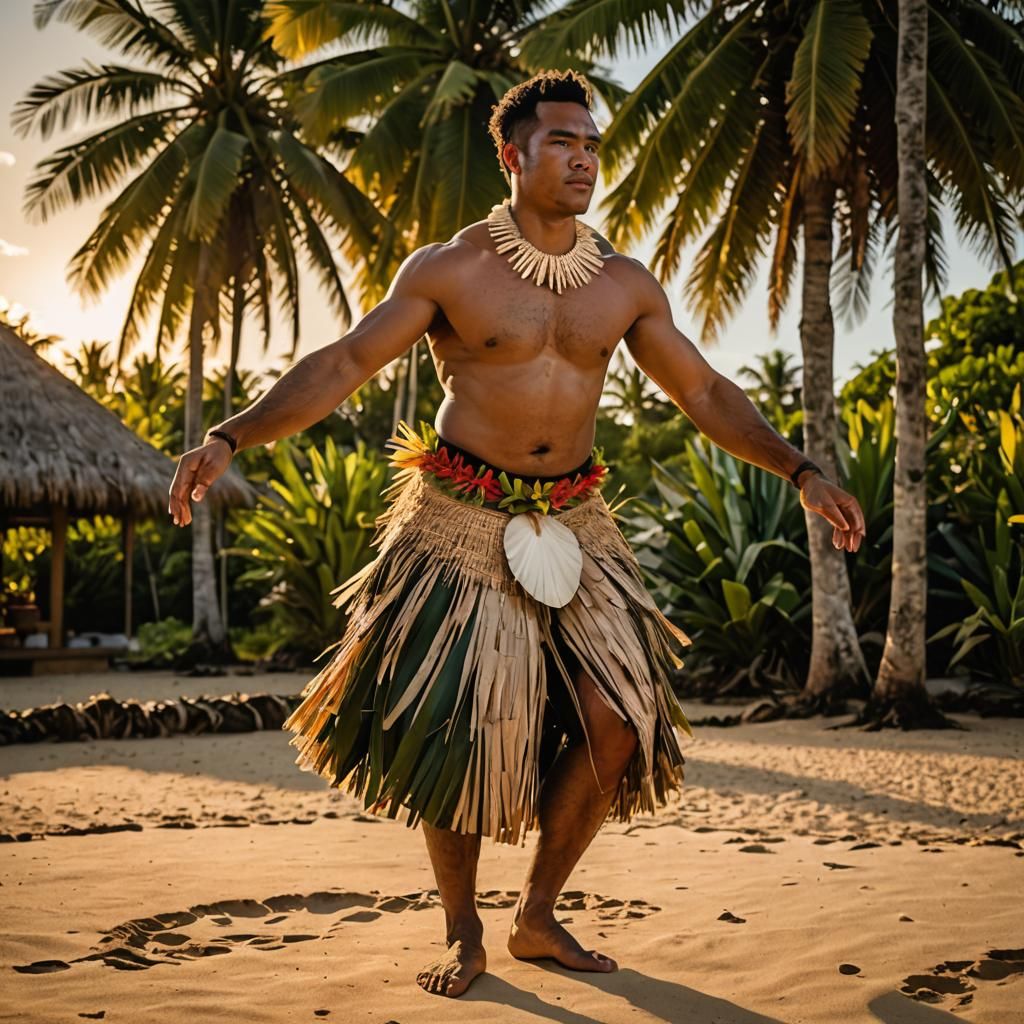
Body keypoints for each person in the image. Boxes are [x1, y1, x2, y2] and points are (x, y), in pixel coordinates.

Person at [167, 69, 866, 999]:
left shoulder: (622, 284)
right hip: (458, 521)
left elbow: (701, 391)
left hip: (578, 520)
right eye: (562, 142)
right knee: (453, 719)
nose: (584, 160)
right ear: (513, 154)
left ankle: (537, 916)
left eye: (592, 145)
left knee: (619, 717)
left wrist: (801, 470)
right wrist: (230, 435)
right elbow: (345, 362)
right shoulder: (452, 269)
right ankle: (463, 930)